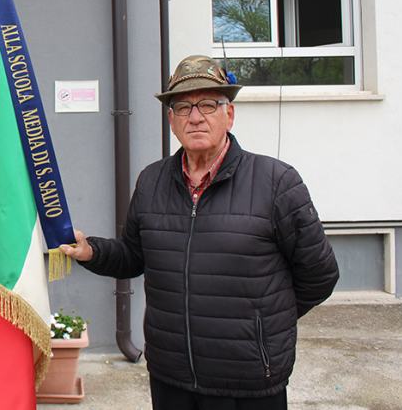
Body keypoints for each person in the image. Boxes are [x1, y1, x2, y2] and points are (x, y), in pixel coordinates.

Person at [60, 55, 339, 410]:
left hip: (249, 380)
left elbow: (320, 275)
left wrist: (263, 326)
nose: (195, 116)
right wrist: (92, 252)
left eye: (208, 104)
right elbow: (135, 256)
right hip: (171, 374)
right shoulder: (151, 181)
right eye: (183, 106)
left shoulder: (276, 183)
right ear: (171, 119)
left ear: (230, 114)